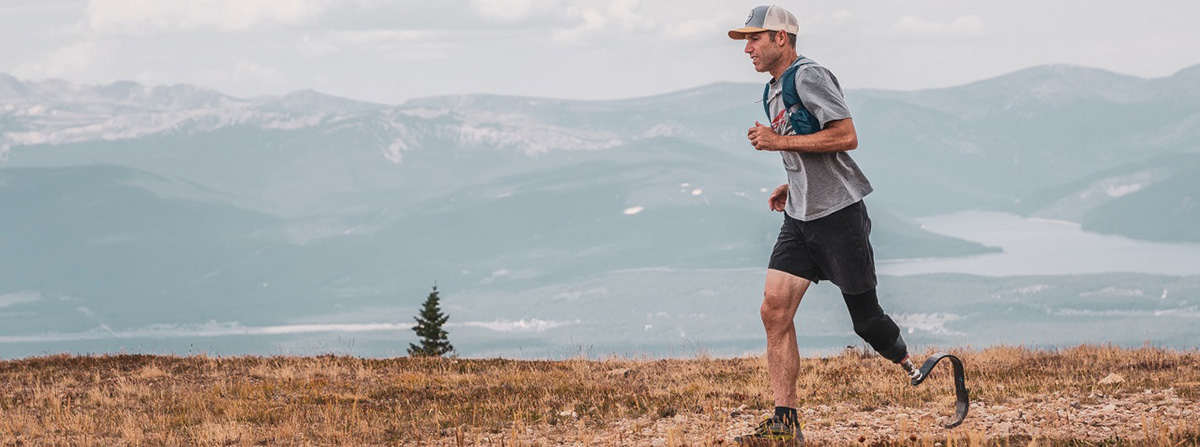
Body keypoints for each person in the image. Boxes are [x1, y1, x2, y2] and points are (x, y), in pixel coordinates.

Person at [728, 5, 922, 445]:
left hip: (838, 218)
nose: (748, 47)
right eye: (745, 40)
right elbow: (808, 147)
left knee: (867, 322)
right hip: (800, 218)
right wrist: (790, 180)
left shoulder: (808, 75)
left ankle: (912, 364)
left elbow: (846, 135)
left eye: (754, 38)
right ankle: (784, 424)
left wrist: (779, 142)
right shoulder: (773, 89)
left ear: (782, 38)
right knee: (773, 310)